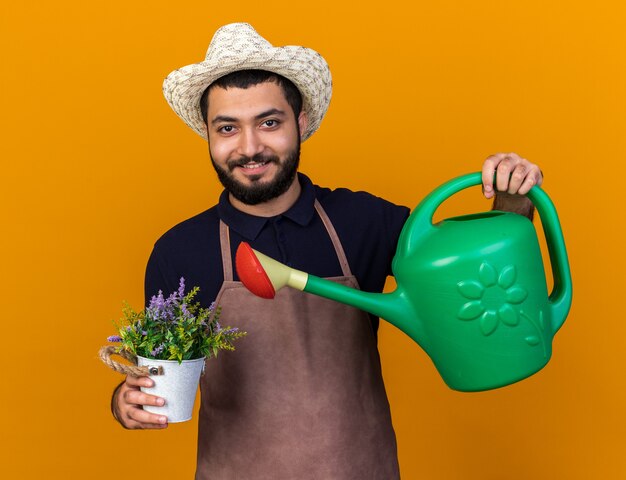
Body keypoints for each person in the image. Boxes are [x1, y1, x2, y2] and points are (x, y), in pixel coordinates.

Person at [111, 23, 543, 479]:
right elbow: (152, 383)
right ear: (209, 135)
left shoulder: (364, 222)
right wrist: (126, 402)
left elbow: (478, 284)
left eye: (269, 122)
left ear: (302, 122)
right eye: (227, 128)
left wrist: (513, 200)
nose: (250, 147)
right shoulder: (179, 252)